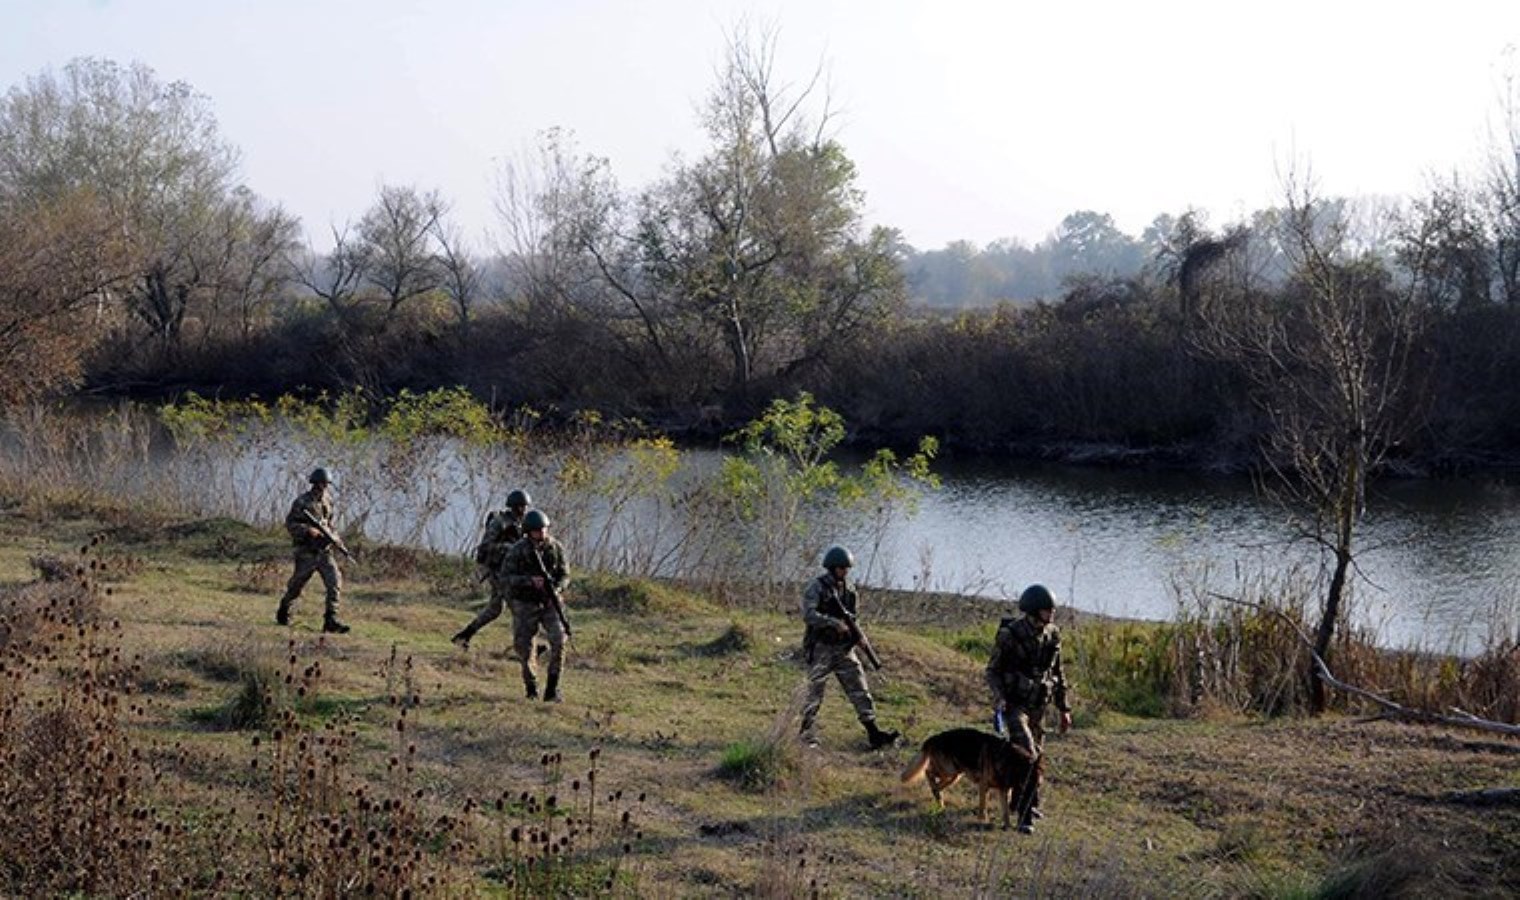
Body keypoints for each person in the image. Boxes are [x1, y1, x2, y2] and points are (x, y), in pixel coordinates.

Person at [986, 583, 1073, 833]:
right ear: (1034, 611)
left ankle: (1027, 802)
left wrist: (1064, 709)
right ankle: (1024, 817)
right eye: (1047, 610)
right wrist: (1000, 697)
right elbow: (992, 671)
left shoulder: (1052, 635)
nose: (1052, 615)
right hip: (1015, 705)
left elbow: (1058, 673)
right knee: (1027, 753)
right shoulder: (1010, 635)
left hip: (1038, 706)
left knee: (1038, 758)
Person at [798, 545, 900, 750]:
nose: (845, 572)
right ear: (833, 567)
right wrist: (833, 623)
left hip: (844, 649)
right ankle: (806, 733)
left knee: (860, 689)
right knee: (814, 692)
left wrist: (859, 637)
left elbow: (853, 618)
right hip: (821, 648)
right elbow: (808, 615)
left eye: (847, 568)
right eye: (842, 568)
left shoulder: (850, 591)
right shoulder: (816, 588)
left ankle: (873, 732)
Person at [499, 509, 570, 701]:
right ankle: (531, 688)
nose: (542, 533)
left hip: (549, 602)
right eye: (538, 530)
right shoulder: (518, 550)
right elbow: (505, 578)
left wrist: (556, 588)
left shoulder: (555, 548)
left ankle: (553, 689)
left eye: (544, 529)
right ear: (529, 532)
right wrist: (529, 581)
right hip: (525, 603)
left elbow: (565, 575)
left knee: (559, 640)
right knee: (524, 646)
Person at [451, 489, 532, 650]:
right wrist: (510, 548)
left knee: (495, 609)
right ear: (513, 506)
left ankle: (464, 635)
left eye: (525, 506)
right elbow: (486, 546)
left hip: (512, 571)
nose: (523, 510)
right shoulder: (500, 523)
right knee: (518, 608)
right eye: (520, 506)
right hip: (498, 571)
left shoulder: (522, 524)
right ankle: (527, 647)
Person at [275, 467, 350, 634]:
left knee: (335, 583)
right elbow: (291, 524)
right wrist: (308, 530)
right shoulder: (302, 502)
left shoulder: (328, 501)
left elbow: (330, 524)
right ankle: (284, 610)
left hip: (324, 551)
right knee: (297, 585)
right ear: (314, 483)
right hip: (306, 551)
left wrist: (336, 539)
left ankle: (331, 619)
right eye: (320, 484)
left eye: (325, 484)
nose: (322, 487)